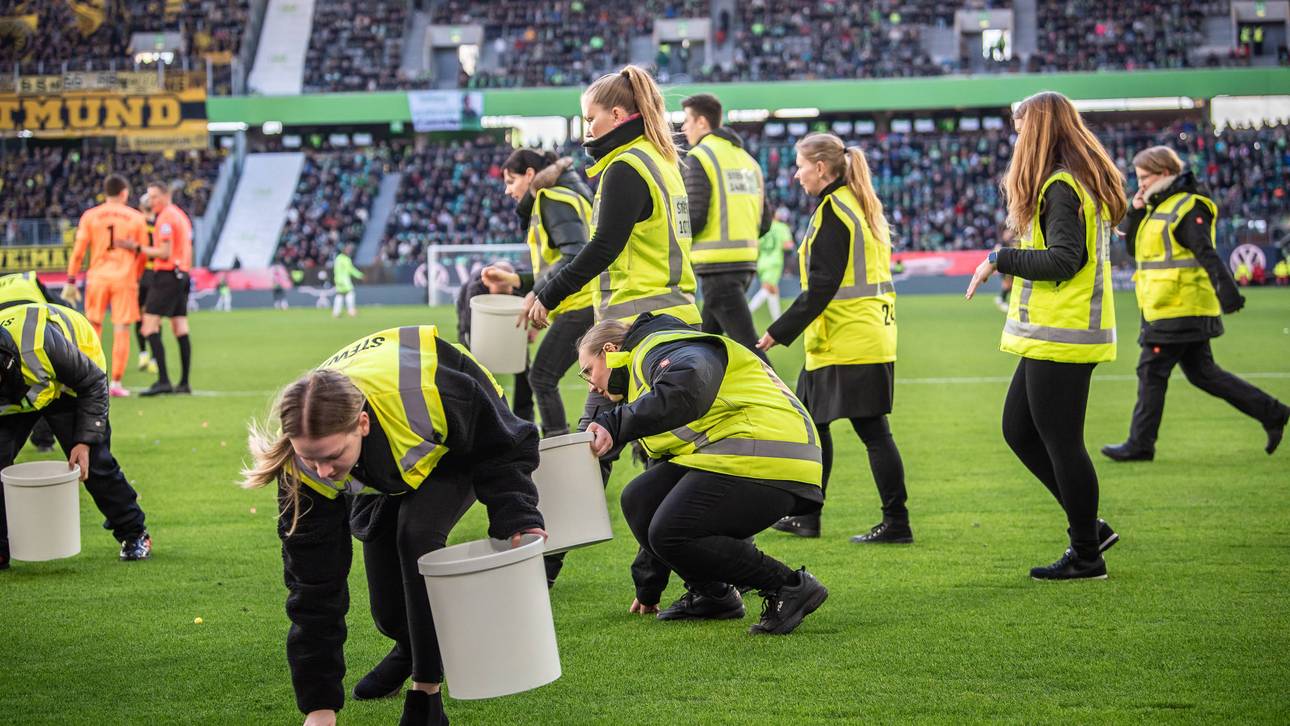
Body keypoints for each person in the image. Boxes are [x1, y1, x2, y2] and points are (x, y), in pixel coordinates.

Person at [240, 325, 546, 726]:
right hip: (387, 459)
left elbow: (505, 444)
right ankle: (407, 648)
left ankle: (427, 694)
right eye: (311, 459)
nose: (323, 471)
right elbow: (313, 588)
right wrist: (319, 708)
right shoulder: (305, 463)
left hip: (466, 437)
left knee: (415, 534)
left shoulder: (435, 393)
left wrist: (518, 516)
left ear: (362, 424)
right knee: (387, 611)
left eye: (332, 456)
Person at [578, 313, 827, 634]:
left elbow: (690, 383)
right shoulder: (647, 374)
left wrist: (616, 423)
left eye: (589, 371)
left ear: (610, 350)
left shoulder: (655, 348)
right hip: (746, 452)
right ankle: (713, 594)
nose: (592, 384)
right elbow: (657, 502)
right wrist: (648, 587)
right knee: (640, 498)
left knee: (670, 531)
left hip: (770, 454)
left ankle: (788, 586)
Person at [965, 91, 1124, 581]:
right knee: (1020, 430)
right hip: (1058, 332)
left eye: (1018, 127)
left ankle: (1087, 553)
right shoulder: (1072, 179)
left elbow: (1062, 260)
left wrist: (999, 258)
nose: (1014, 137)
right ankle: (1089, 530)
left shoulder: (1059, 186)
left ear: (1036, 131)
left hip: (1065, 333)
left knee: (1062, 443)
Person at [524, 65, 701, 487]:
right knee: (668, 450)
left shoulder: (626, 166)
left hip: (634, 327)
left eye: (590, 118)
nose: (587, 129)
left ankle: (551, 553)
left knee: (592, 447)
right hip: (674, 318)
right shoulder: (661, 161)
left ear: (618, 116)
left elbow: (604, 248)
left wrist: (548, 294)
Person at [757, 133, 910, 545]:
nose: (796, 173)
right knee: (819, 423)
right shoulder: (857, 205)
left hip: (847, 338)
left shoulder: (833, 211)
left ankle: (890, 521)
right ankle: (811, 515)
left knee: (861, 430)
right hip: (860, 335)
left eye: (801, 165)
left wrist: (775, 332)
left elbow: (821, 288)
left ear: (821, 168)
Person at [1101, 146, 1289, 461]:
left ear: (1164, 173)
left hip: (1180, 306)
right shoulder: (1157, 206)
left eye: (1145, 177)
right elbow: (1133, 249)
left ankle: (1140, 443)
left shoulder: (1188, 207)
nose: (1141, 184)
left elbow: (1206, 252)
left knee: (1152, 370)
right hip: (1167, 306)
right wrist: (1134, 209)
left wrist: (1228, 294)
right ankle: (1272, 413)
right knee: (1203, 373)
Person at [0, 302, 151, 569]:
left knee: (94, 465)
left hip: (76, 382)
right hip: (23, 391)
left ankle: (134, 533)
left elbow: (92, 383)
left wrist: (84, 440)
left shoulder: (39, 342)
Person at [483, 149, 596, 439]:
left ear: (531, 175)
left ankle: (559, 450)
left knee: (542, 377)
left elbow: (575, 254)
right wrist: (515, 279)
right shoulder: (569, 193)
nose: (508, 190)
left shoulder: (551, 198)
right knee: (603, 388)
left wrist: (536, 292)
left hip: (581, 303)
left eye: (511, 181)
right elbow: (558, 260)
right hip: (588, 302)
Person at [680, 93, 771, 358]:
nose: (683, 128)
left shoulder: (700, 156)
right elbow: (764, 221)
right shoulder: (748, 161)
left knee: (751, 351)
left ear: (702, 122)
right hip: (745, 264)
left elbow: (694, 216)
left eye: (686, 121)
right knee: (702, 350)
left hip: (716, 267)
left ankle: (786, 400)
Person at [63, 174, 148, 398]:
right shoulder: (136, 217)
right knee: (121, 329)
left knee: (92, 328)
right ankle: (117, 383)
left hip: (98, 278)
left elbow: (79, 251)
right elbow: (142, 254)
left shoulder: (90, 216)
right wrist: (136, 277)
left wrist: (71, 279)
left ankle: (86, 380)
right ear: (124, 193)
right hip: (124, 278)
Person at [456, 261, 536, 424]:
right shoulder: (475, 288)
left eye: (506, 295)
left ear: (513, 287)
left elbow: (542, 304)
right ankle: (475, 413)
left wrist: (534, 328)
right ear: (488, 286)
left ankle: (525, 417)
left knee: (523, 363)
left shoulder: (524, 282)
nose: (502, 300)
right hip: (477, 319)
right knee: (471, 366)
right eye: (497, 294)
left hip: (515, 318)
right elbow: (467, 329)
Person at [0, 272, 69, 453]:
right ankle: (44, 440)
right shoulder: (28, 278)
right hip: (34, 331)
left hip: (5, 337)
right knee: (44, 383)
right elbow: (62, 307)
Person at [138, 182, 194, 396]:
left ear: (163, 196)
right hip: (182, 274)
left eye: (153, 197)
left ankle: (163, 381)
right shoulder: (180, 215)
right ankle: (184, 383)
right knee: (180, 327)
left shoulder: (165, 218)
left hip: (167, 275)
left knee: (148, 326)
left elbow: (163, 252)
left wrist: (138, 249)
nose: (150, 201)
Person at [747, 207, 794, 319]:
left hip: (762, 262)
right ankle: (747, 311)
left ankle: (777, 319)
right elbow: (788, 245)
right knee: (767, 289)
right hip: (774, 262)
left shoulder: (763, 227)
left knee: (773, 290)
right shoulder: (782, 227)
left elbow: (756, 245)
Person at [135, 191, 158, 374]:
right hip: (155, 274)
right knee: (155, 318)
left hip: (139, 275)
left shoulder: (136, 223)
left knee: (139, 316)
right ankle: (156, 358)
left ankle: (143, 353)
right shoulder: (159, 223)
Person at [332, 244, 364, 318]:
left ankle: (336, 313)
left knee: (339, 295)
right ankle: (351, 311)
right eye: (348, 250)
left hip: (337, 279)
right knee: (350, 293)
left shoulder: (338, 258)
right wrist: (360, 275)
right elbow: (351, 269)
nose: (349, 251)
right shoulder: (346, 259)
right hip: (344, 280)